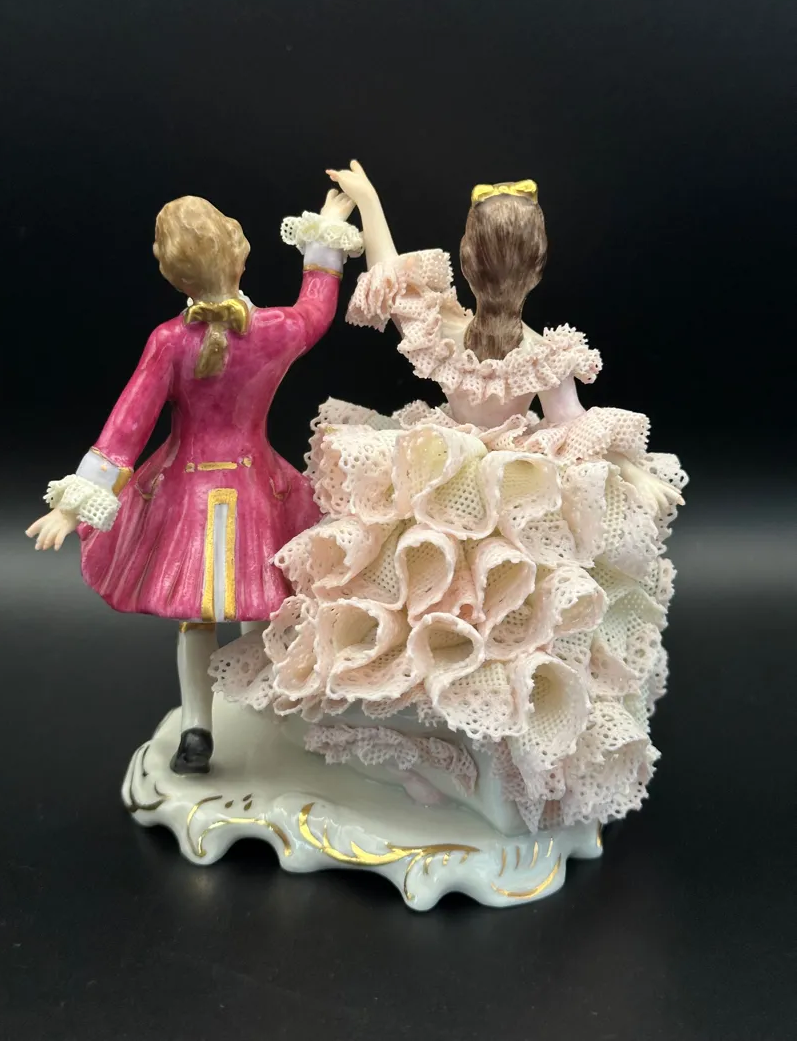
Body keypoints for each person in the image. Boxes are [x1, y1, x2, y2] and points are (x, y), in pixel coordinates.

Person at [211, 163, 686, 835]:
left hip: (437, 480)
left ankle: (446, 756)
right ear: (537, 268)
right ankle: (457, 758)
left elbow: (390, 272)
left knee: (420, 622)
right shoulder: (541, 354)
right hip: (509, 497)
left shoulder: (444, 330)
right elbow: (573, 427)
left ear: (464, 261)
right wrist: (627, 471)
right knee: (499, 635)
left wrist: (369, 202)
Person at [26, 189, 361, 774]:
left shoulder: (169, 341)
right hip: (256, 489)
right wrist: (325, 233)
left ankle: (197, 731)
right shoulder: (274, 329)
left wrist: (72, 505)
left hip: (187, 495)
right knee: (264, 600)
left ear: (171, 272)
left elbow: (125, 428)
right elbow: (317, 309)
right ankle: (267, 709)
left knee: (198, 617)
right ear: (240, 254)